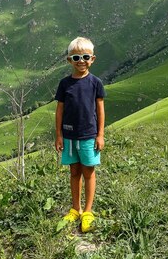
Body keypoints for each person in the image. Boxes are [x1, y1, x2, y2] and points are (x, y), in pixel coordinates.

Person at [55, 37, 106, 233]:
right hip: (69, 136)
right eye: (76, 57)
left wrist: (100, 135)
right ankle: (75, 209)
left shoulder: (96, 83)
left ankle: (88, 211)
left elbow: (100, 110)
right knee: (74, 172)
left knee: (88, 172)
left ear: (92, 59)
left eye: (85, 56)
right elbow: (60, 110)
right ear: (69, 60)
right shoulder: (64, 84)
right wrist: (59, 135)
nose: (81, 61)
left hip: (89, 136)